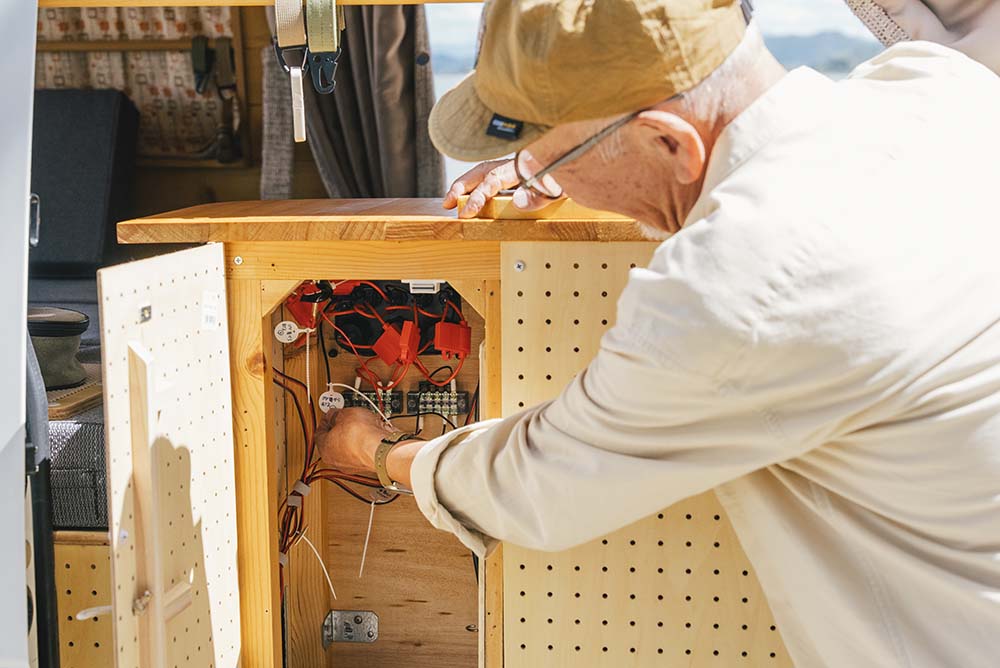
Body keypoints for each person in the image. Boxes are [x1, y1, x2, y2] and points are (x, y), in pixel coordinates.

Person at [317, 0, 1000, 665]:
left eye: (545, 159)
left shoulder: (745, 282)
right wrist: (591, 160)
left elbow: (538, 484)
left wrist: (378, 453)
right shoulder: (940, 86)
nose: (540, 178)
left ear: (669, 142)